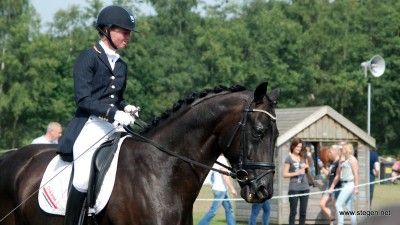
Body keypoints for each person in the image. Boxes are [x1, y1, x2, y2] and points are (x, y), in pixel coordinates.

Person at [56, 5, 139, 225]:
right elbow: (83, 98)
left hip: (113, 126)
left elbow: (115, 97)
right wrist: (113, 113)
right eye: (124, 31)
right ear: (107, 30)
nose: (128, 37)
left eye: (129, 32)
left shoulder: (121, 65)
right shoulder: (88, 57)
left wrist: (125, 107)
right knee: (82, 178)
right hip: (89, 125)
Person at [198, 154, 238, 225]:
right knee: (213, 211)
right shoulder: (222, 160)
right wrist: (232, 189)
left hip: (221, 189)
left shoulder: (216, 159)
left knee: (229, 209)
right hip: (220, 190)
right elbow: (224, 175)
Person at [329, 143, 359, 225]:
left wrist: (356, 188)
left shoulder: (352, 159)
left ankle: (340, 223)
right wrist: (332, 187)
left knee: (338, 204)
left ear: (347, 149)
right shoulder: (341, 160)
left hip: (349, 184)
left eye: (343, 149)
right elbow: (338, 175)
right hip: (343, 184)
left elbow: (356, 174)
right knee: (350, 208)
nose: (341, 150)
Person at [283, 138, 310, 225]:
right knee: (293, 212)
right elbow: (285, 174)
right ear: (293, 146)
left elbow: (308, 168)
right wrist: (297, 173)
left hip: (305, 188)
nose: (299, 149)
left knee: (303, 212)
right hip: (294, 188)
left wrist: (306, 166)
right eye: (297, 147)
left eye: (300, 147)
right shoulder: (288, 159)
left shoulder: (303, 156)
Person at [319, 145, 342, 223]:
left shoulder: (339, 162)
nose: (329, 154)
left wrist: (332, 187)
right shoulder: (332, 163)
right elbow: (329, 175)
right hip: (329, 188)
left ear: (335, 152)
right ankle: (332, 218)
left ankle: (338, 222)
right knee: (322, 204)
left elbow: (338, 176)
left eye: (330, 152)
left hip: (335, 187)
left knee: (335, 207)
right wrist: (321, 167)